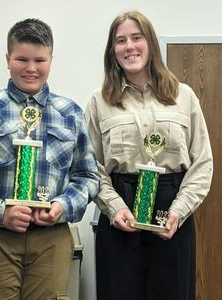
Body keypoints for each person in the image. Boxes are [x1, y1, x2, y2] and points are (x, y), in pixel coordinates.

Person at [0, 18, 100, 300]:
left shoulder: (71, 112)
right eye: (21, 58)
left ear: (51, 59)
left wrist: (62, 206)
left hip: (52, 239)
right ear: (7, 58)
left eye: (39, 59)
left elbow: (88, 176)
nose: (30, 68)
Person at [86, 11, 213, 300]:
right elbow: (90, 166)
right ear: (112, 50)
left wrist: (179, 210)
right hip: (120, 212)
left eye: (136, 38)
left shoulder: (184, 96)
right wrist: (114, 206)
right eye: (120, 41)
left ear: (151, 44)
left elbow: (202, 162)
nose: (129, 46)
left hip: (172, 211)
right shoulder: (99, 101)